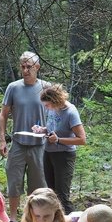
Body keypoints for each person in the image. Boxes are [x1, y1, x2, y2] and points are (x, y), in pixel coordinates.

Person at [0, 51, 49, 222]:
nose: (26, 70)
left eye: (29, 66)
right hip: (18, 143)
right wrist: (3, 139)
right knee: (14, 181)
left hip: (40, 146)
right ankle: (13, 220)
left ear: (37, 67)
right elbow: (3, 114)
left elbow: (55, 113)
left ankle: (33, 221)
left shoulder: (46, 87)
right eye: (23, 66)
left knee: (38, 186)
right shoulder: (13, 87)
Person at [31, 83, 86, 214]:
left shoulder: (71, 112)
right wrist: (42, 130)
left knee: (62, 196)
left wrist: (58, 140)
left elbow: (82, 139)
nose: (46, 107)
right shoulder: (52, 109)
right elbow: (52, 129)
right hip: (48, 153)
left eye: (47, 105)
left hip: (64, 156)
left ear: (55, 101)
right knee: (51, 194)